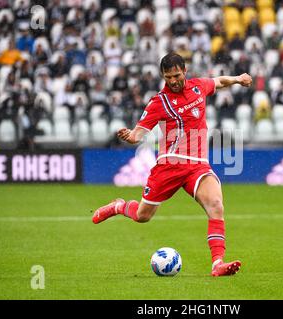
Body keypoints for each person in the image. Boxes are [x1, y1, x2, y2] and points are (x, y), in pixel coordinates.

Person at [92, 52, 253, 277]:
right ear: (163, 76)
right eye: (168, 77)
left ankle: (217, 263)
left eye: (176, 75)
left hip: (197, 165)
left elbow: (218, 81)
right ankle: (119, 206)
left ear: (185, 71)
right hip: (169, 166)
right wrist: (130, 136)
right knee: (142, 215)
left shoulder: (198, 87)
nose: (173, 81)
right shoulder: (159, 102)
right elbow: (139, 133)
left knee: (215, 204)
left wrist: (237, 78)